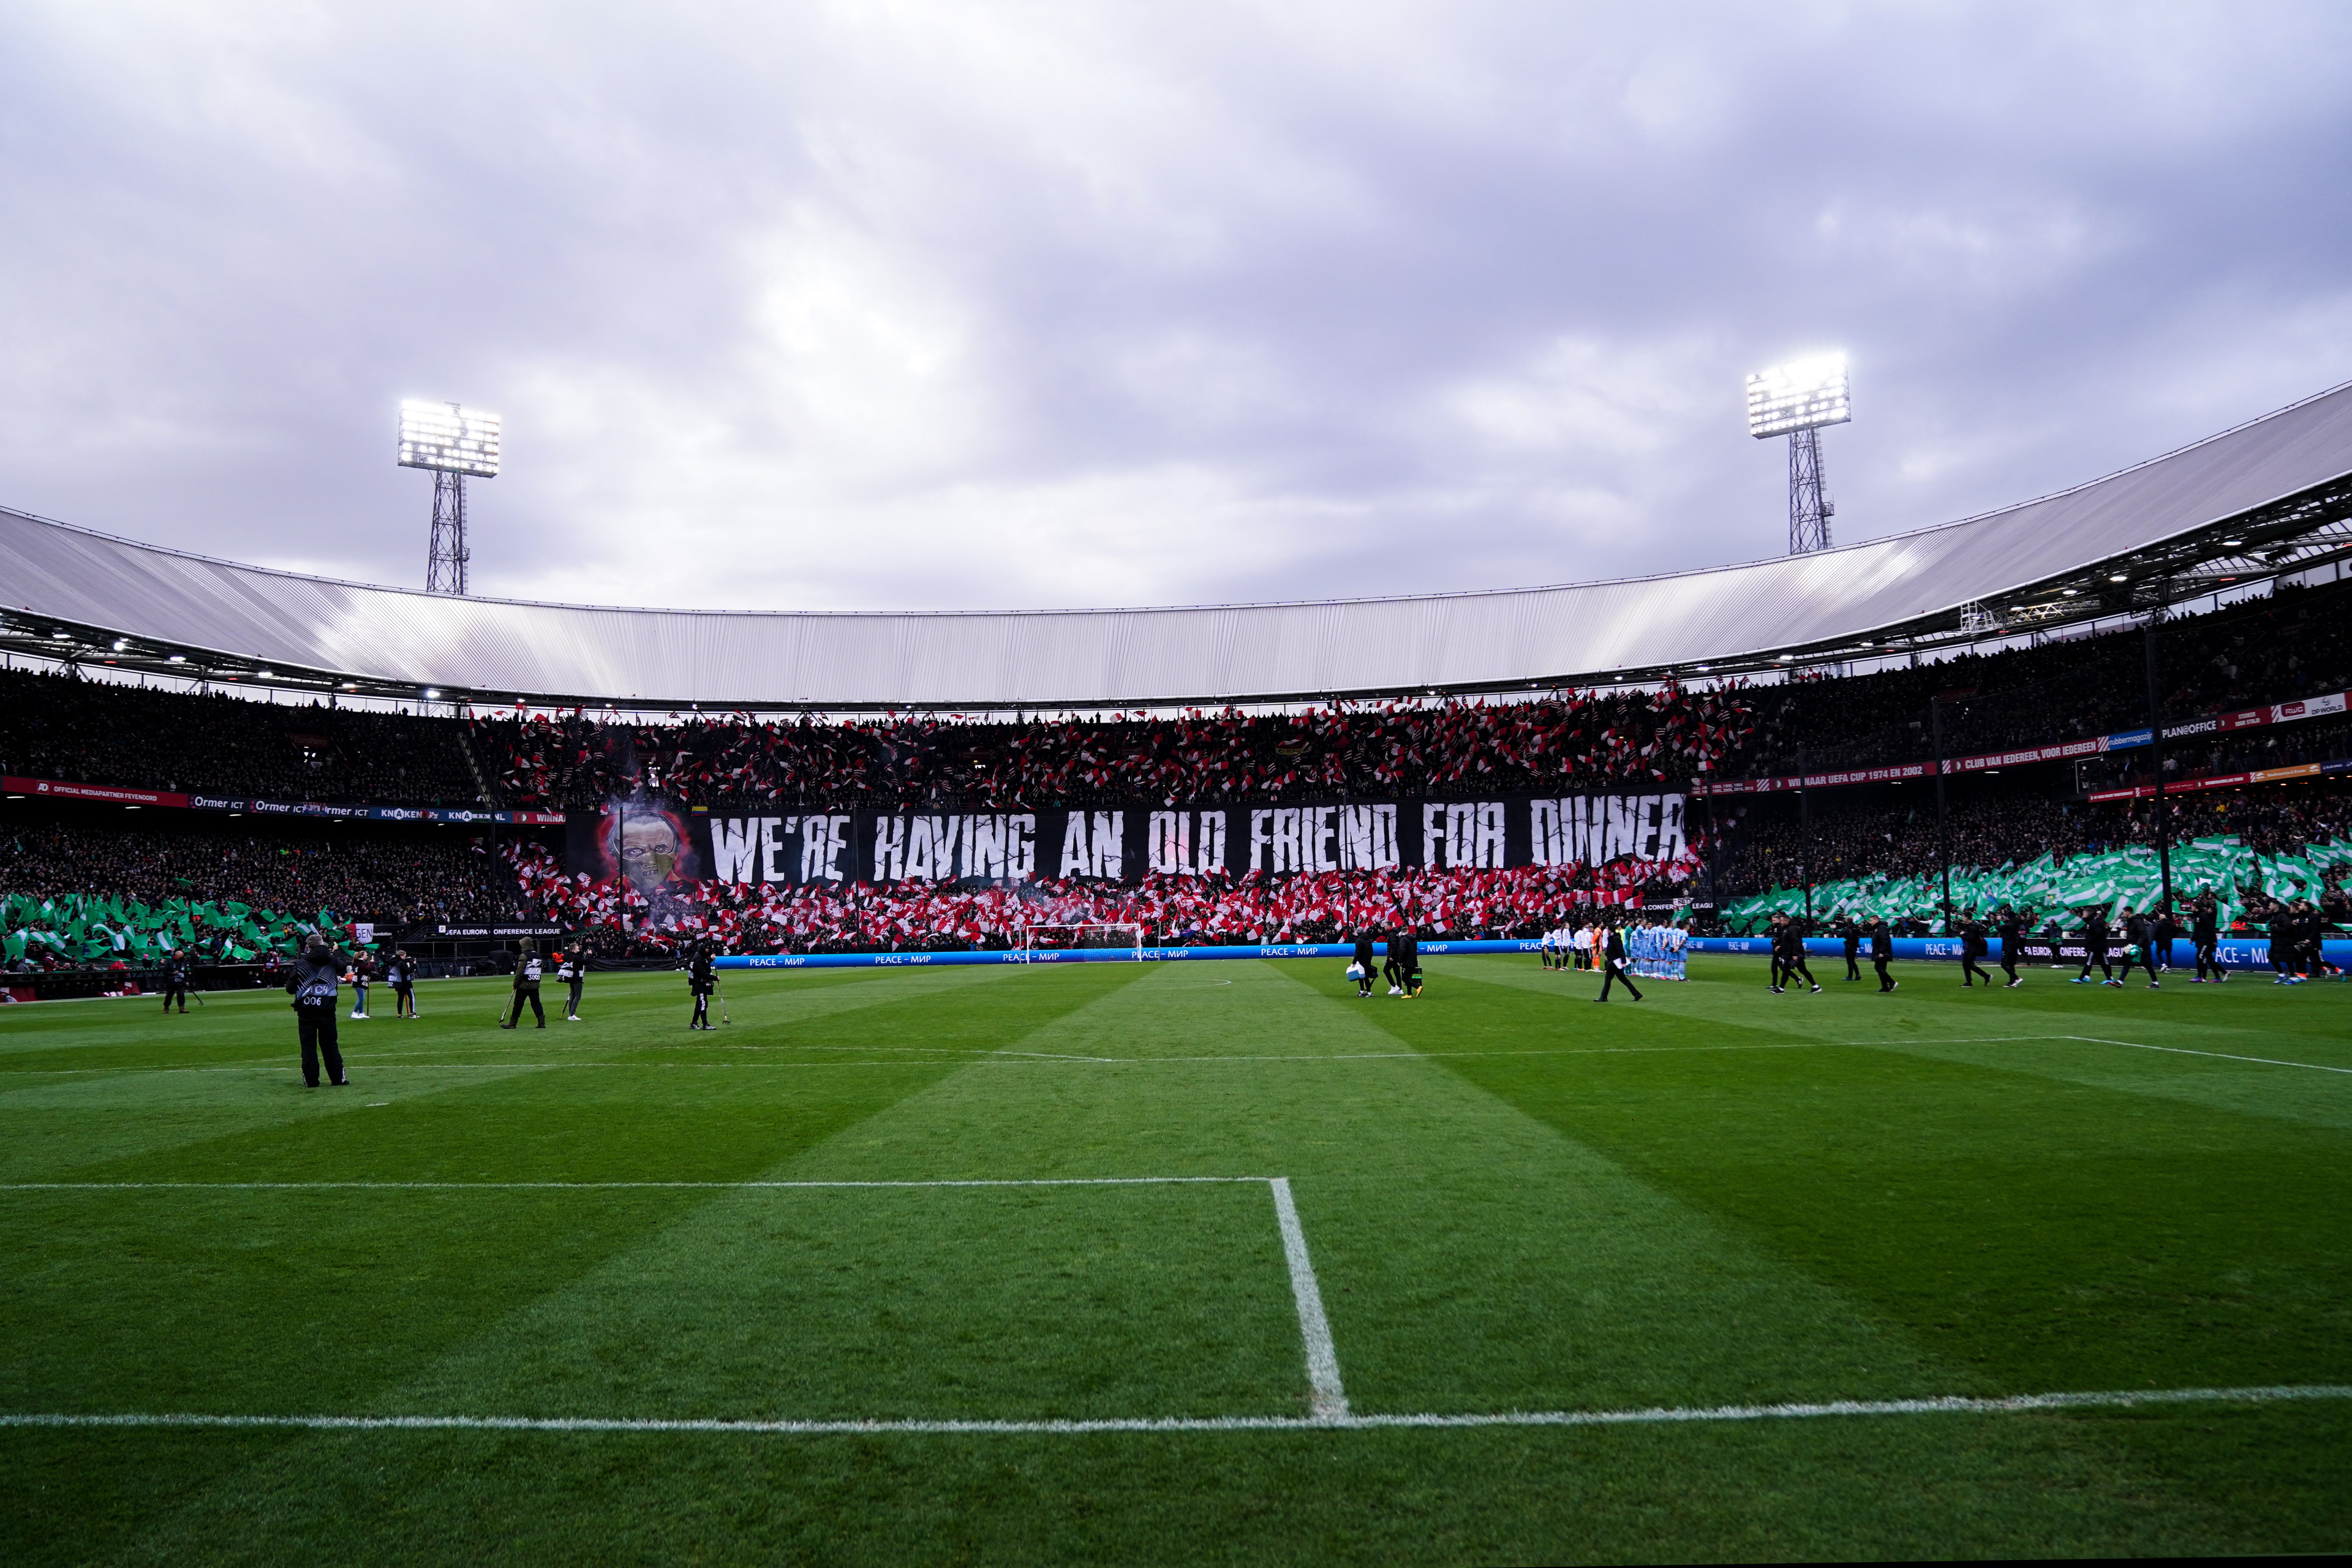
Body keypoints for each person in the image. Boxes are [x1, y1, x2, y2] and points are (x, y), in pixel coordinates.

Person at [284, 933, 348, 1088]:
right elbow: (343, 965)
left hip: (306, 1010)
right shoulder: (332, 961)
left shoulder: (301, 964)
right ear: (323, 945)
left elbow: (290, 989)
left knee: (308, 1046)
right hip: (327, 1008)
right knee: (330, 1044)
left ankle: (311, 1079)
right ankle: (337, 1078)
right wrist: (335, 951)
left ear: (308, 947)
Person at [502, 938, 547, 1028]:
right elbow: (540, 969)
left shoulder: (524, 956)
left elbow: (520, 971)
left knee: (518, 1004)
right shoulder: (538, 955)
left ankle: (512, 1023)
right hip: (535, 983)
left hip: (524, 985)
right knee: (536, 1003)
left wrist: (515, 984)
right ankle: (541, 1023)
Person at [1595, 916, 1642, 1002]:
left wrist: (1623, 961)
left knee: (1609, 979)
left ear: (1610, 930)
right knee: (1623, 979)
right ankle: (1637, 994)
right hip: (1615, 962)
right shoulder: (1614, 938)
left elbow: (1621, 950)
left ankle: (1603, 997)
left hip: (1614, 962)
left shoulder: (1615, 939)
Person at [2117, 908, 2161, 989]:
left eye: (2124, 912)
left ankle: (2155, 982)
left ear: (2128, 912)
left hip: (2141, 947)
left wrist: (2137, 945)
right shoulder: (2131, 922)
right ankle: (2120, 982)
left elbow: (2143, 934)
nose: (2123, 914)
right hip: (2135, 946)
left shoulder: (2137, 921)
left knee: (2148, 965)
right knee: (2127, 963)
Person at [2073, 908, 2116, 986]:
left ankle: (2081, 979)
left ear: (2086, 915)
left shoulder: (2093, 923)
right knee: (2103, 963)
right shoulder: (2091, 923)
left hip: (2095, 947)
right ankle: (2109, 978)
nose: (2082, 916)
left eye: (2083, 914)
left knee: (2090, 963)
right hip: (2096, 947)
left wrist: (2090, 941)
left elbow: (2098, 933)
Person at [2190, 895, 2223, 983]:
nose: (2191, 908)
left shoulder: (2203, 916)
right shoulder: (2198, 916)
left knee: (2200, 957)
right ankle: (2217, 977)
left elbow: (2210, 928)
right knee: (2209, 959)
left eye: (2192, 906)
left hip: (2204, 941)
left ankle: (2200, 977)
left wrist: (2214, 940)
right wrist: (2192, 939)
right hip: (2200, 940)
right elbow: (2197, 929)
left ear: (2195, 907)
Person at [687, 943, 717, 1029]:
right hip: (699, 983)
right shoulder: (699, 958)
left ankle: (694, 1023)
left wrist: (711, 959)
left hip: (699, 983)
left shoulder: (701, 956)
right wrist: (715, 978)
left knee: (699, 1004)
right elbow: (703, 973)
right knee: (704, 1003)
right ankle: (705, 1024)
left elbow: (705, 962)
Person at [1959, 915, 1992, 988]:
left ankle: (1984, 976)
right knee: (1967, 965)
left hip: (1972, 948)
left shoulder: (1973, 927)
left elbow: (1972, 938)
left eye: (1964, 917)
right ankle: (1970, 981)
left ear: (1967, 918)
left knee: (1968, 964)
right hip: (1970, 948)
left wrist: (1963, 935)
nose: (1963, 918)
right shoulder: (1971, 926)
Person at [1996, 908, 2026, 989]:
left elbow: (1998, 928)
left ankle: (2016, 978)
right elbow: (2008, 927)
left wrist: (1998, 920)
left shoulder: (2010, 925)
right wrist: (2005, 920)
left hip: (2008, 946)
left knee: (2004, 964)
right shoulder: (2015, 924)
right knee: (2011, 965)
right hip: (2013, 946)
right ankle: (2012, 981)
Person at [388, 948, 419, 1017]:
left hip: (398, 983)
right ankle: (412, 1013)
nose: (405, 958)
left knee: (400, 998)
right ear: (401, 956)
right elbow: (407, 971)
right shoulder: (401, 963)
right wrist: (413, 965)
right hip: (405, 982)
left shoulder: (394, 962)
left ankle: (400, 1014)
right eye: (404, 957)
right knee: (412, 997)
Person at [560, 945, 588, 1020]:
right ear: (574, 950)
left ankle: (570, 1014)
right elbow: (587, 962)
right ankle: (572, 1014)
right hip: (577, 978)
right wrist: (590, 955)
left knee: (573, 996)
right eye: (578, 949)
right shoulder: (576, 958)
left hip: (571, 978)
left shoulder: (569, 957)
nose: (579, 950)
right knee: (577, 996)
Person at [161, 948, 191, 1014]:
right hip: (171, 982)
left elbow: (185, 973)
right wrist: (173, 973)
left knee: (181, 995)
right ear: (177, 956)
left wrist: (187, 981)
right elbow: (165, 972)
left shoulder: (184, 962)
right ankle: (166, 1007)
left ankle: (181, 1008)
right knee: (169, 996)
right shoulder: (169, 962)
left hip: (181, 982)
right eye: (181, 955)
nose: (183, 956)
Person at [1871, 916, 1896, 993]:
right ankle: (1885, 987)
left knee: (1878, 968)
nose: (1870, 922)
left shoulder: (1881, 928)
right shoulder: (1878, 928)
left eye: (1871, 920)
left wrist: (1882, 952)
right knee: (1880, 968)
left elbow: (1885, 940)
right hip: (1879, 952)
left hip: (1882, 953)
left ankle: (1891, 982)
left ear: (1876, 920)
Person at [1351, 930, 1378, 998]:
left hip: (1361, 961)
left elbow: (1358, 952)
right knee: (1363, 976)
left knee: (1363, 976)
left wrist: (1354, 962)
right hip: (1367, 960)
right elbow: (1372, 951)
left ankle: (1367, 992)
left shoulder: (1359, 941)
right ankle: (1364, 991)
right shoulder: (1368, 940)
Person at [349, 947, 372, 1020]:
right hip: (359, 983)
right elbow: (369, 969)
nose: (367, 957)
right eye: (366, 955)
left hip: (361, 982)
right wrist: (372, 962)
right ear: (362, 956)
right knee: (361, 999)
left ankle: (361, 1013)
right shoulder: (361, 963)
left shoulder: (361, 963)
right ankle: (354, 1013)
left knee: (361, 999)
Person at [1838, 917, 1861, 982]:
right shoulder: (1856, 928)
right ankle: (1857, 974)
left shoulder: (1847, 930)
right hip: (1855, 946)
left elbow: (1838, 935)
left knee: (1850, 962)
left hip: (1849, 947)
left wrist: (1834, 929)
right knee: (1853, 961)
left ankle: (1850, 976)